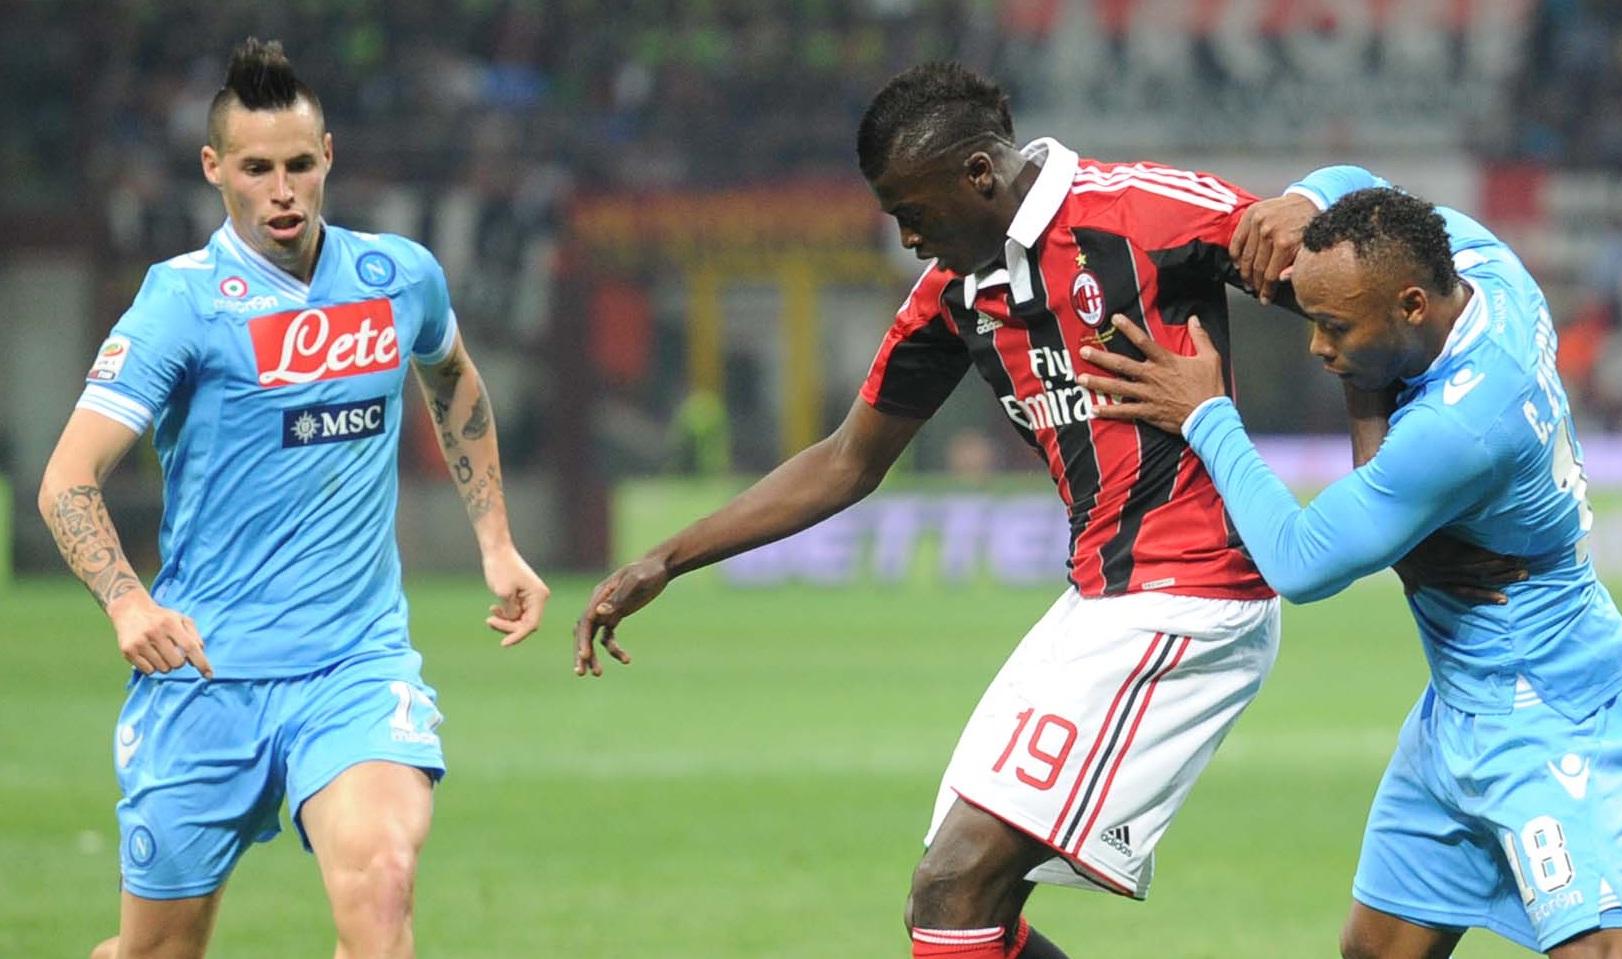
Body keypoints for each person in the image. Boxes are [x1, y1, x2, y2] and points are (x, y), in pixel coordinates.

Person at [574, 63, 1506, 959]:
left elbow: (1355, 302)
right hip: (1096, 596)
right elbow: (846, 460)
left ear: (978, 173)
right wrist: (667, 558)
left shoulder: (1147, 214)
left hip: (1192, 595)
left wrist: (1381, 488)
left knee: (956, 883)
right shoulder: (954, 295)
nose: (908, 237)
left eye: (912, 212)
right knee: (949, 901)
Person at [38, 39, 548, 959]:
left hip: (353, 666)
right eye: (257, 169)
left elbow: (453, 379)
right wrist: (126, 601)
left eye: (300, 165)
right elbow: (66, 480)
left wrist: (495, 541)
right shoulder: (180, 303)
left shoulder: (398, 277)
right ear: (214, 168)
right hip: (204, 674)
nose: (282, 190)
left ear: (329, 158)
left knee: (382, 881)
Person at [1077, 175, 1622, 957]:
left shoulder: (1462, 424)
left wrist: (1206, 413)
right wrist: (1305, 198)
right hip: (1460, 700)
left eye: (1334, 327)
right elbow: (1371, 193)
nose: (1316, 346)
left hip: (1542, 703)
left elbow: (1300, 561)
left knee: (1598, 949)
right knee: (1376, 949)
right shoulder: (1485, 266)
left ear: (1411, 307)